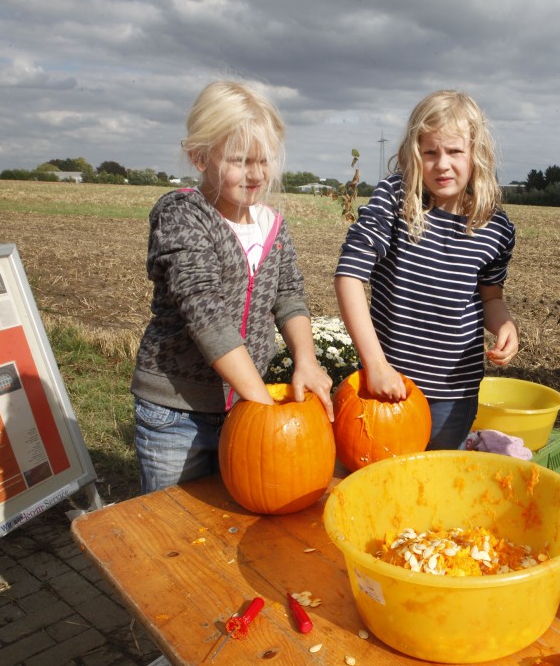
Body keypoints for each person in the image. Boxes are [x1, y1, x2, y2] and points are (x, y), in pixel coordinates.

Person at [132, 81, 334, 494]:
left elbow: (289, 296)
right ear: (200, 157)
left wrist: (307, 360)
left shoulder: (273, 225)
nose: (256, 174)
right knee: (174, 519)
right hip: (176, 411)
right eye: (240, 161)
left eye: (264, 160)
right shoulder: (182, 215)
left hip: (244, 404)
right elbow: (206, 316)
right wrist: (264, 407)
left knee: (232, 515)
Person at [334, 90, 518, 450]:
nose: (442, 164)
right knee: (382, 476)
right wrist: (376, 365)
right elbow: (349, 276)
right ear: (413, 153)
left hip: (455, 394)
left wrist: (504, 326)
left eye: (454, 151)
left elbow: (490, 298)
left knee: (436, 478)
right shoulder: (395, 200)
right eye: (430, 152)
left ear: (477, 154)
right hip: (389, 385)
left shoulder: (496, 227)